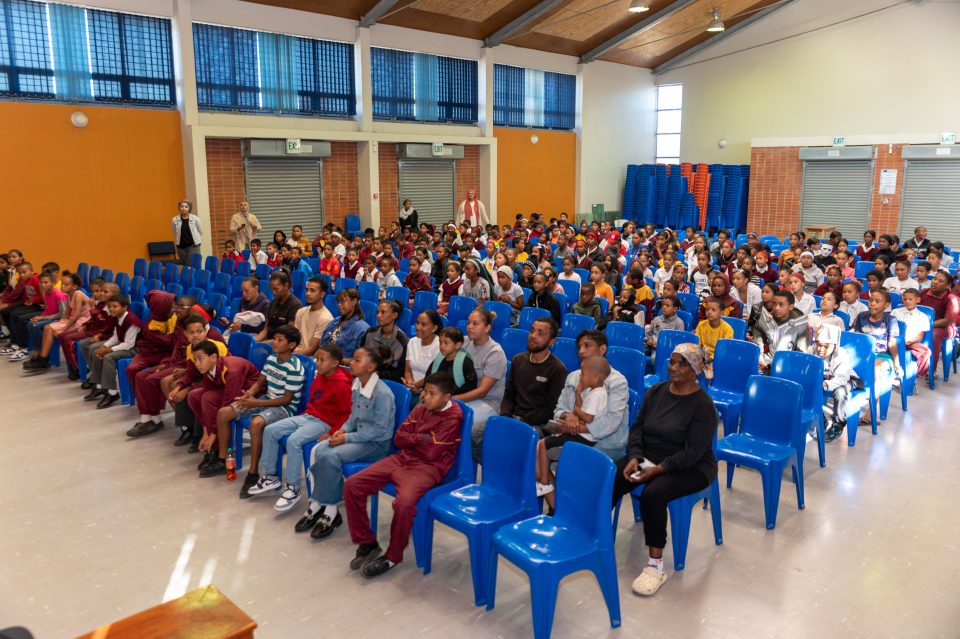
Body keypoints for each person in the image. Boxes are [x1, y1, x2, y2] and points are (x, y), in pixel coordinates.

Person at [610, 343, 717, 597]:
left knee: (653, 494)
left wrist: (658, 469)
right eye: (672, 361)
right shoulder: (656, 391)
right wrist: (635, 456)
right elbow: (637, 428)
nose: (674, 367)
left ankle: (656, 565)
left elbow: (692, 453)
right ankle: (594, 535)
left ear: (695, 370)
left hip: (693, 466)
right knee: (613, 475)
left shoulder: (702, 405)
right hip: (650, 458)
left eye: (682, 363)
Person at [343, 371, 463, 578]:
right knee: (353, 484)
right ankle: (367, 543)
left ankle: (392, 556)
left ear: (446, 397)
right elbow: (399, 438)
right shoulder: (422, 407)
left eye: (431, 393)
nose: (425, 397)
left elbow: (433, 452)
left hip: (428, 468)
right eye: (425, 391)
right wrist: (423, 438)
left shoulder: (454, 417)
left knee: (404, 504)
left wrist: (415, 438)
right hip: (403, 458)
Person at [295, 344, 396, 537]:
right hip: (358, 436)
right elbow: (352, 417)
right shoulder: (357, 384)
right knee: (319, 449)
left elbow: (378, 431)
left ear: (371, 366)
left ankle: (331, 512)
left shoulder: (382, 394)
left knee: (332, 456)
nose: (351, 362)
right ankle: (317, 504)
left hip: (376, 445)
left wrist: (346, 438)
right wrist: (341, 431)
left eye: (358, 360)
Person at [198, 324, 304, 480]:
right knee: (224, 412)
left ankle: (253, 472)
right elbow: (259, 383)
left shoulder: (295, 368)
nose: (274, 342)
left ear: (292, 345)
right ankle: (222, 459)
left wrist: (256, 404)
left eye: (279, 340)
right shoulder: (272, 358)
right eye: (274, 338)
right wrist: (249, 394)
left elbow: (286, 399)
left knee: (255, 423)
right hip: (265, 399)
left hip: (283, 408)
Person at [128, 309, 223, 439]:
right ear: (185, 333)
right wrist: (180, 386)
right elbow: (191, 371)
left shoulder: (216, 346)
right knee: (173, 387)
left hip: (219, 383)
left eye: (199, 331)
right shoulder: (192, 347)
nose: (195, 335)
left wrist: (187, 388)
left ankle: (201, 432)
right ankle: (188, 426)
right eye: (190, 332)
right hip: (201, 377)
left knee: (191, 394)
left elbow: (215, 376)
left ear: (205, 330)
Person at [537, 356, 610, 510]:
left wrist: (574, 412)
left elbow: (587, 417)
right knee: (542, 442)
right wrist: (577, 395)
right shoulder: (594, 391)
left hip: (583, 438)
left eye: (583, 373)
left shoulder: (598, 395)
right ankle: (549, 486)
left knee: (543, 444)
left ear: (595, 378)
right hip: (582, 435)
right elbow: (584, 410)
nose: (580, 376)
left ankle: (544, 483)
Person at [176, 340, 261, 472]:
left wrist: (212, 435)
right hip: (229, 389)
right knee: (194, 396)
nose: (197, 364)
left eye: (200, 359)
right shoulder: (209, 368)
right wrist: (206, 433)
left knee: (209, 400)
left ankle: (218, 453)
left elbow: (226, 406)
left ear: (214, 357)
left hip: (248, 393)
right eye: (195, 360)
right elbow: (207, 390)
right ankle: (212, 445)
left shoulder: (232, 370)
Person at [498, 317, 567, 433]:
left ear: (551, 342)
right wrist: (505, 416)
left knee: (519, 438)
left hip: (536, 424)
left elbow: (550, 409)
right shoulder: (518, 359)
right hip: (512, 416)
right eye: (532, 330)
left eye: (540, 333)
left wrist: (522, 420)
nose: (533, 336)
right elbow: (509, 395)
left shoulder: (558, 370)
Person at [458, 308, 508, 454]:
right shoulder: (464, 342)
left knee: (463, 425)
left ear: (487, 328)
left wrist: (453, 399)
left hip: (488, 402)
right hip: (465, 397)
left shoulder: (495, 352)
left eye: (475, 323)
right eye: (468, 323)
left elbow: (483, 391)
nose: (469, 327)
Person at [82, 294, 143, 409]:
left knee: (108, 357)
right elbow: (115, 337)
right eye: (110, 306)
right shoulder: (117, 317)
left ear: (124, 308)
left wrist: (109, 350)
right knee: (97, 351)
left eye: (115, 306)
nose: (111, 309)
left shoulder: (132, 321)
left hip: (135, 349)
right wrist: (104, 346)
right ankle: (100, 386)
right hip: (123, 345)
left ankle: (112, 393)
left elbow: (129, 344)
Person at [22, 271, 89, 373]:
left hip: (84, 321)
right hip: (73, 319)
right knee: (48, 327)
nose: (62, 286)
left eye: (66, 284)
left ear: (75, 286)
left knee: (53, 330)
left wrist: (64, 329)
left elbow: (75, 316)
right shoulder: (68, 294)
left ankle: (46, 359)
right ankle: (43, 359)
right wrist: (60, 322)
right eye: (62, 283)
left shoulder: (78, 294)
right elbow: (66, 313)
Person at [853, 290, 902, 424]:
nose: (872, 304)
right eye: (870, 300)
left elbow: (892, 344)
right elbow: (857, 339)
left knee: (874, 369)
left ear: (887, 305)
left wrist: (897, 363)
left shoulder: (890, 320)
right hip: (864, 355)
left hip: (882, 356)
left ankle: (871, 410)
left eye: (877, 301)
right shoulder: (862, 316)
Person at [59, 280, 116, 381]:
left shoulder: (110, 306)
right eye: (94, 291)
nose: (97, 294)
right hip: (92, 330)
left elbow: (102, 323)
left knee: (67, 338)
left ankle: (78, 368)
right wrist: (85, 325)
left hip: (98, 332)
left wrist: (92, 308)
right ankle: (75, 365)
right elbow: (93, 320)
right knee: (62, 336)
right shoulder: (101, 304)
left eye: (100, 291)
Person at [815, 324, 856, 442]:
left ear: (835, 345)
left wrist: (825, 384)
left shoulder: (841, 355)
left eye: (825, 346)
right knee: (809, 389)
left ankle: (838, 424)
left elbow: (842, 378)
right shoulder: (812, 351)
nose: (820, 349)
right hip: (825, 378)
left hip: (847, 379)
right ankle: (820, 420)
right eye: (819, 345)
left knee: (840, 391)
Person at [752, 291, 810, 372]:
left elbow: (801, 353)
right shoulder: (765, 319)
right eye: (774, 304)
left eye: (781, 305)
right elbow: (758, 342)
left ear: (791, 307)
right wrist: (760, 358)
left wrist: (774, 366)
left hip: (789, 364)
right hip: (767, 361)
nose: (776, 308)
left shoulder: (800, 324)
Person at [17, 271, 66, 365]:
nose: (43, 285)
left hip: (59, 319)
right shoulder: (46, 293)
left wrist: (43, 318)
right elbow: (48, 310)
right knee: (31, 323)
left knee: (35, 326)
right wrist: (40, 316)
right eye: (41, 282)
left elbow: (62, 314)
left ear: (53, 283)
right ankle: (37, 353)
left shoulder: (58, 294)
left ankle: (43, 355)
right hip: (49, 317)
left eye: (46, 282)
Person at [920, 271, 960, 373]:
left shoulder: (951, 298)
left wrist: (926, 326)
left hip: (945, 327)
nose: (935, 282)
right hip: (924, 324)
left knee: (933, 335)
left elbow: (947, 321)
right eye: (934, 279)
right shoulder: (924, 292)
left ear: (948, 286)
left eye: (940, 281)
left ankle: (930, 369)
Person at [360, 300, 409, 382]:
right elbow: (361, 356)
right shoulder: (369, 333)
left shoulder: (402, 341)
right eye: (377, 312)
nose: (378, 315)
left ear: (395, 315)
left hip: (388, 383)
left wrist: (377, 374)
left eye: (383, 312)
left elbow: (399, 373)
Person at [320, 288, 370, 362]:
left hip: (343, 367)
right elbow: (321, 346)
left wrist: (336, 361)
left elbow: (360, 360)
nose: (339, 305)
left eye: (343, 301)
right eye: (338, 302)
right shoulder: (334, 322)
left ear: (354, 302)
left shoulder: (362, 328)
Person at [892, 289, 932, 378]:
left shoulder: (923, 317)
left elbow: (920, 336)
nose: (907, 301)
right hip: (895, 340)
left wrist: (910, 342)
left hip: (911, 342)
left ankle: (917, 374)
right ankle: (894, 370)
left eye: (910, 299)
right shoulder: (896, 312)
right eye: (905, 299)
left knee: (926, 352)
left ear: (917, 300)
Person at [402, 310, 442, 395]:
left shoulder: (440, 346)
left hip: (430, 391)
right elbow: (408, 370)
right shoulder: (412, 342)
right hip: (412, 387)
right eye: (417, 323)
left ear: (434, 328)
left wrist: (415, 386)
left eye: (423, 325)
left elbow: (434, 376)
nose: (418, 327)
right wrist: (410, 383)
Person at [255, 271, 302, 342]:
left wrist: (266, 343)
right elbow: (265, 330)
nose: (273, 292)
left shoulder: (295, 305)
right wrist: (254, 341)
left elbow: (288, 336)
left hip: (281, 343)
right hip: (269, 341)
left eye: (276, 289)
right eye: (272, 289)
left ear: (286, 286)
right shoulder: (273, 302)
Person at [292, 278, 333, 357]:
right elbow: (293, 337)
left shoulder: (326, 318)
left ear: (322, 294)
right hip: (294, 352)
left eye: (312, 291)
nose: (307, 293)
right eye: (307, 290)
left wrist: (290, 355)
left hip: (308, 359)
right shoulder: (301, 312)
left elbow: (311, 350)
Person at [171, 199, 202, 266]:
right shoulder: (174, 219)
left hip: (193, 246)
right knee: (185, 265)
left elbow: (200, 230)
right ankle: (188, 276)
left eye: (186, 206)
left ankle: (193, 276)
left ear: (189, 208)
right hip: (181, 247)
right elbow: (174, 231)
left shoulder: (195, 218)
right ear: (179, 208)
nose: (183, 208)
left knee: (190, 264)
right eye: (182, 206)